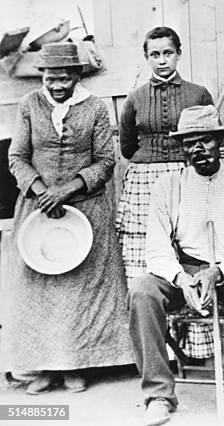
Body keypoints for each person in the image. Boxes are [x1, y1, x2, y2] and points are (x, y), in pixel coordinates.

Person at [1, 42, 132, 394]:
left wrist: (67, 190)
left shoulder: (95, 108)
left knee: (80, 291)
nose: (56, 85)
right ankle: (44, 368)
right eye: (49, 78)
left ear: (76, 75)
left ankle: (77, 365)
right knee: (40, 290)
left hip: (86, 209)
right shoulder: (30, 105)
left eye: (63, 78)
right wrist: (42, 190)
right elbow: (17, 157)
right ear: (42, 76)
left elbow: (106, 161)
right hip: (37, 208)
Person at [128, 105, 224, 425]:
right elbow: (157, 249)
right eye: (191, 142)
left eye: (206, 140)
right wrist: (180, 278)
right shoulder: (167, 186)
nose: (199, 148)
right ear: (183, 147)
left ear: (220, 142)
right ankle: (159, 395)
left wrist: (218, 271)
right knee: (141, 291)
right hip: (183, 272)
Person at [116, 26, 216, 361]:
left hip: (187, 177)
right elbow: (128, 146)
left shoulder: (198, 93)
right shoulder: (135, 98)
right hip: (144, 182)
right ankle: (163, 354)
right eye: (154, 54)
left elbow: (210, 141)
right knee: (151, 260)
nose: (161, 60)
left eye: (168, 53)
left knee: (190, 254)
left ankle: (195, 348)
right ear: (146, 58)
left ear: (179, 53)